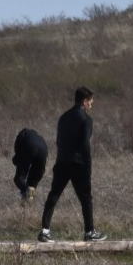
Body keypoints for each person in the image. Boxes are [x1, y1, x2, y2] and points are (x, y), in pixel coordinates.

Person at [39, 87, 106, 243]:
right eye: (90, 101)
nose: (92, 104)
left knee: (54, 195)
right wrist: (88, 165)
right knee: (86, 198)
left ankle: (45, 230)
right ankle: (89, 232)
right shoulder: (86, 120)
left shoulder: (63, 117)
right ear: (85, 101)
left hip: (62, 161)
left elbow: (58, 141)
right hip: (79, 164)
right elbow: (85, 145)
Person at [11, 127, 48, 205]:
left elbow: (18, 148)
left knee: (19, 178)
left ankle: (26, 190)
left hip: (30, 147)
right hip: (43, 151)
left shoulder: (23, 134)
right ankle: (27, 204)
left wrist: (16, 158)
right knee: (32, 184)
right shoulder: (40, 138)